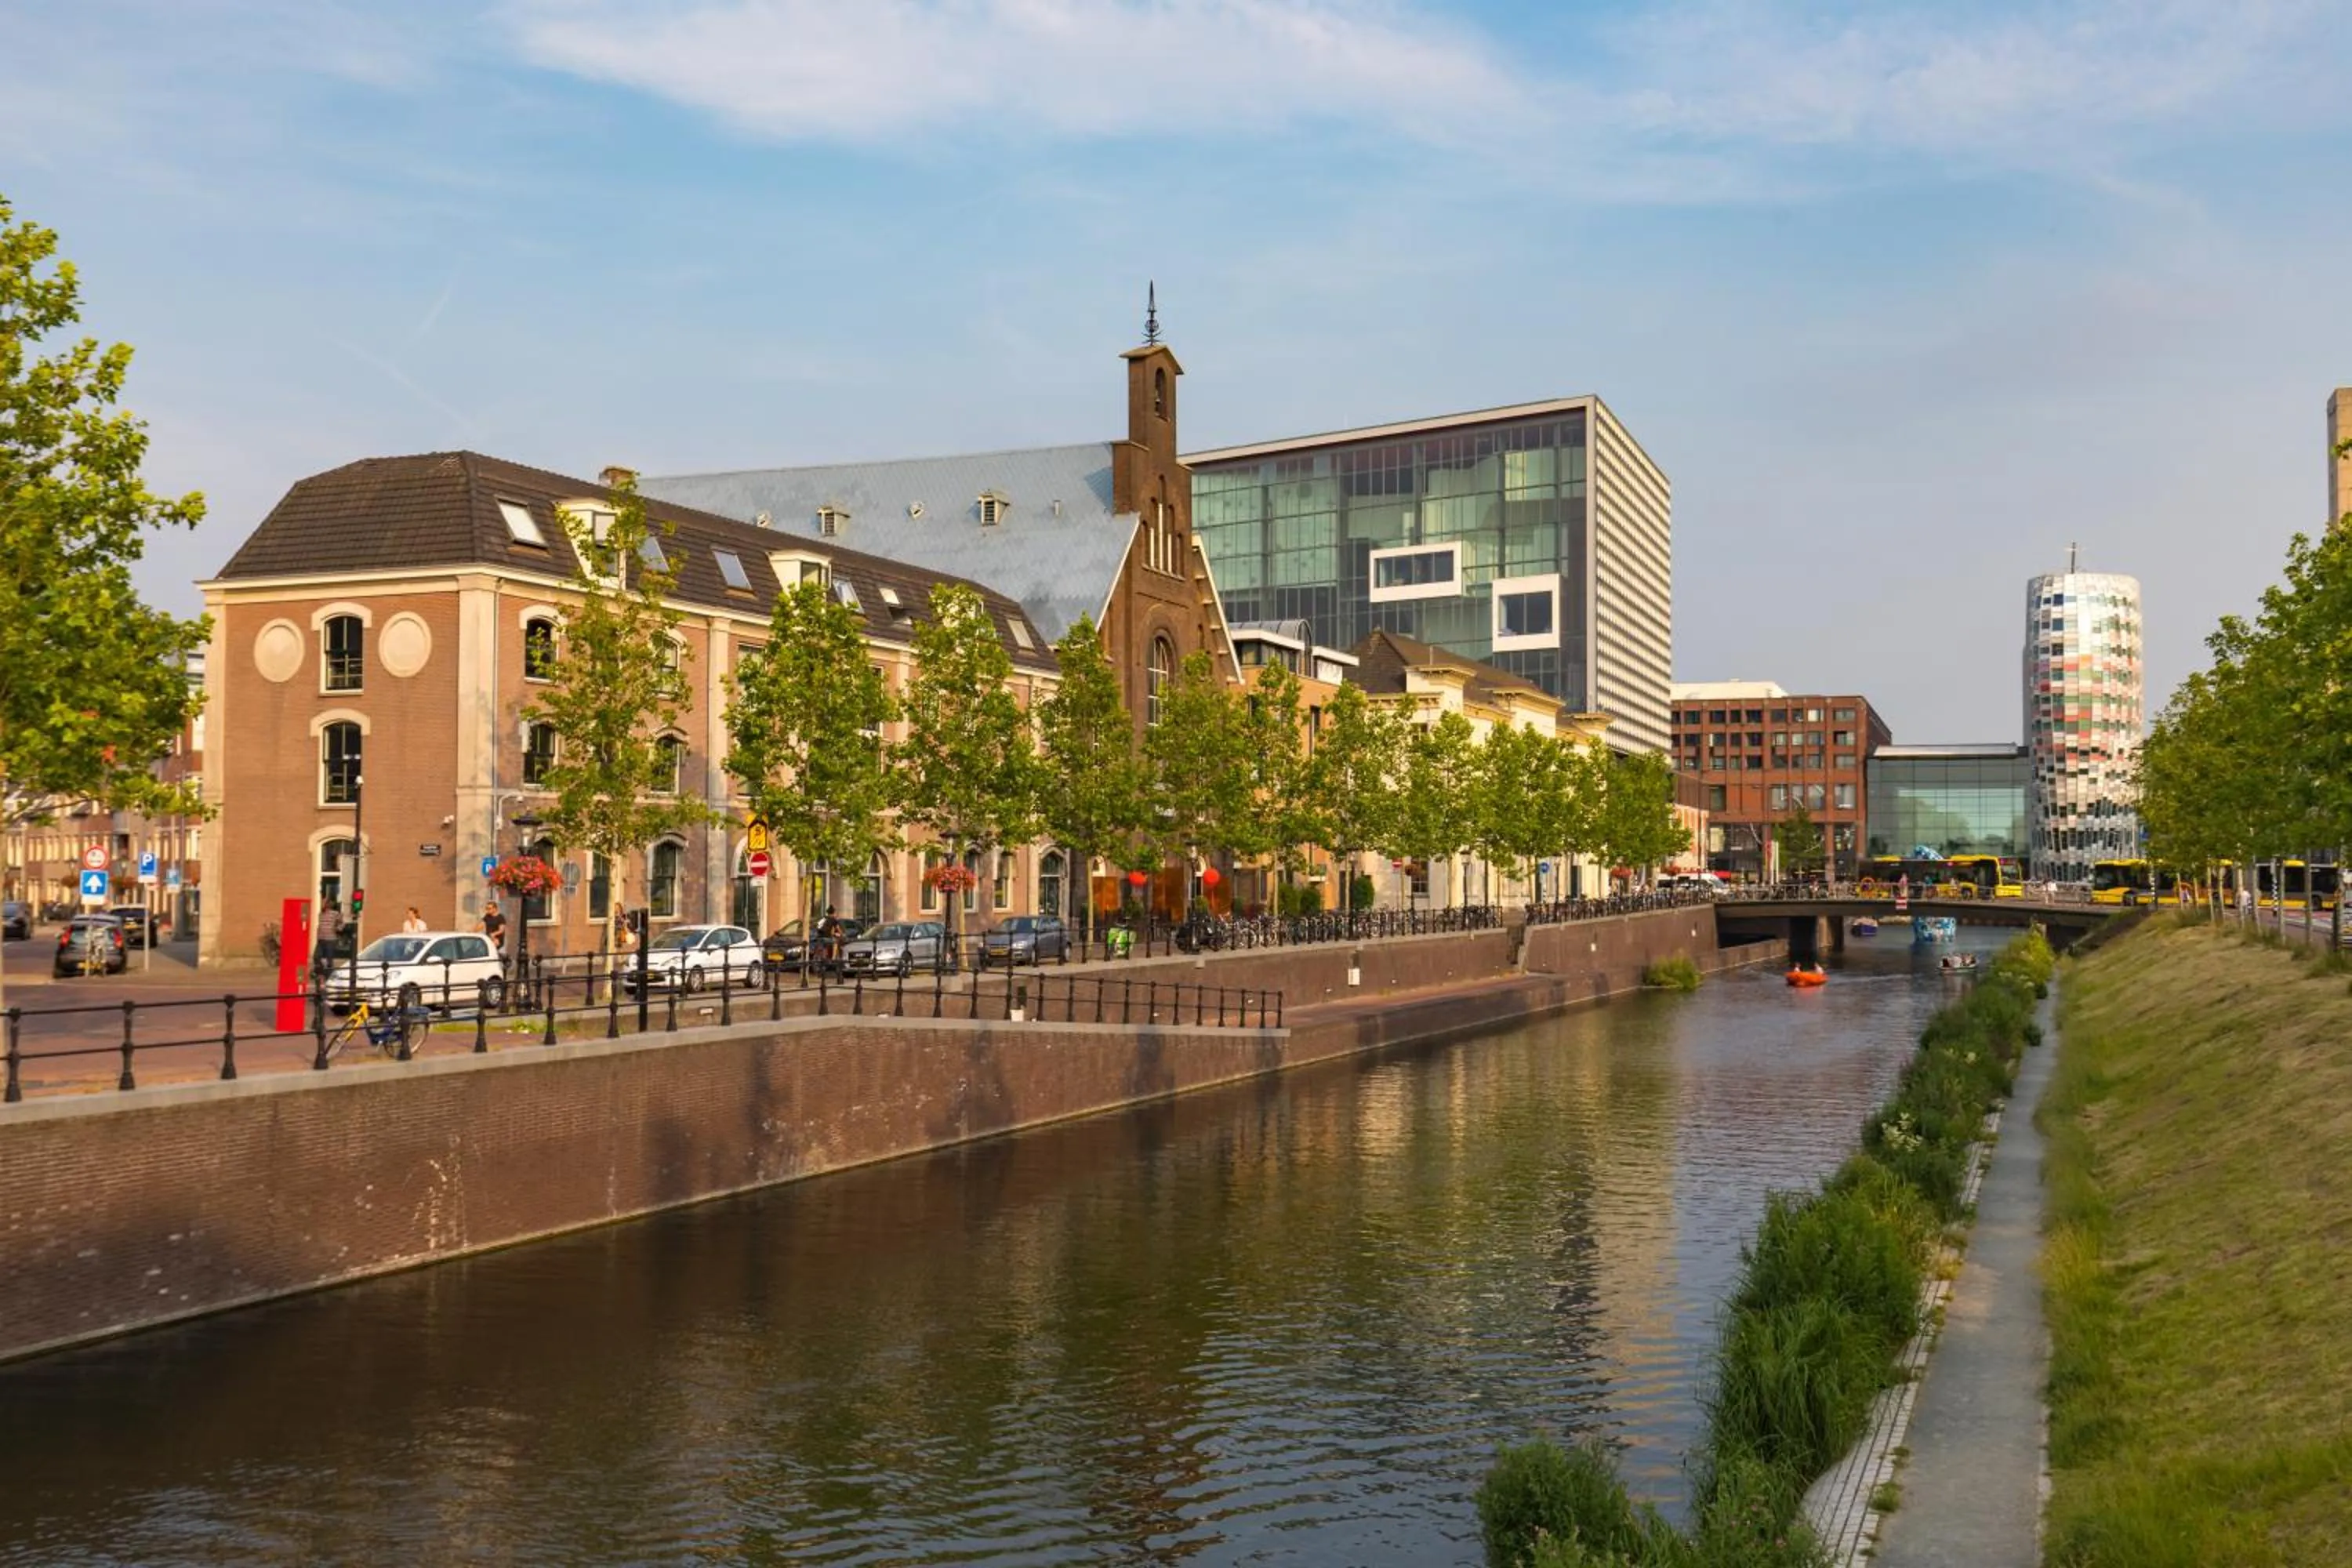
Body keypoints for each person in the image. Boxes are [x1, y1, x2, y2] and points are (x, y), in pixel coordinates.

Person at [311, 898, 343, 982]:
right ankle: (321, 972)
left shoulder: (335, 914)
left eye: (324, 903)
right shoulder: (320, 914)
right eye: (322, 903)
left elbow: (342, 923)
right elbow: (320, 926)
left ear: (329, 904)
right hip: (321, 939)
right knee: (316, 956)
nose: (322, 904)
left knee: (330, 959)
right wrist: (318, 937)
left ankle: (330, 976)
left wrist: (337, 929)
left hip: (331, 939)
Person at [480, 899, 507, 963]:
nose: (487, 910)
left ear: (495, 909)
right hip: (489, 938)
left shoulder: (500, 917)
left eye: (489, 908)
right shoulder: (487, 916)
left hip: (497, 939)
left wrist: (494, 934)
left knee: (491, 948)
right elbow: (481, 925)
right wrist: (472, 932)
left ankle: (498, 959)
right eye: (487, 908)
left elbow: (501, 930)